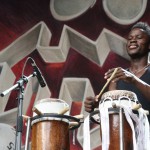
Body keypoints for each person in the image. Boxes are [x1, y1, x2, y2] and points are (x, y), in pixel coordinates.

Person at [84, 21, 150, 123]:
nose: (133, 40)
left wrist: (134, 80)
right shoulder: (117, 77)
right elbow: (112, 108)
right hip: (125, 137)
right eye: (130, 38)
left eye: (139, 37)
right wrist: (98, 104)